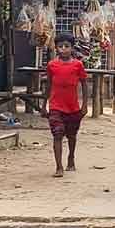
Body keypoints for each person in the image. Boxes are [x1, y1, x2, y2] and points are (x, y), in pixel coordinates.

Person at [41, 33, 89, 177]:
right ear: (56, 48)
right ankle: (59, 167)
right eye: (60, 46)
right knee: (57, 134)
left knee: (72, 135)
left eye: (66, 46)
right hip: (56, 106)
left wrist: (85, 105)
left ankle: (71, 157)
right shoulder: (52, 65)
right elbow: (48, 86)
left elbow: (84, 84)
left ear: (72, 48)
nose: (63, 49)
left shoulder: (78, 65)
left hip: (73, 107)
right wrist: (44, 105)